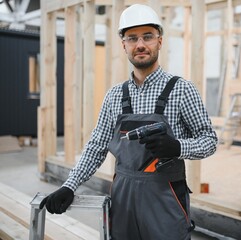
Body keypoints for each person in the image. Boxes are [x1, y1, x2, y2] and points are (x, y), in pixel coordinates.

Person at [40, 4, 217, 240]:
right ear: (124, 45)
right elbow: (96, 147)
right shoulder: (114, 95)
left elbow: (209, 140)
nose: (140, 44)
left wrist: (178, 147)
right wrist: (69, 185)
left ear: (160, 41)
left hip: (166, 198)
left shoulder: (182, 89)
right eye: (132, 38)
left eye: (148, 37)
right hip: (123, 199)